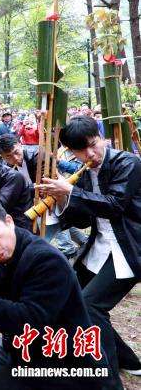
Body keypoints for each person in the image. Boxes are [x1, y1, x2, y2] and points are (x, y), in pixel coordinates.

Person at [0, 197, 107, 389]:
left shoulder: (46, 260)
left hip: (69, 362)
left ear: (8, 221)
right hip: (34, 350)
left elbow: (29, 322)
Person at [37, 115, 141, 382]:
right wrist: (60, 199)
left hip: (130, 248)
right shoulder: (83, 171)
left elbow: (114, 205)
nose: (91, 154)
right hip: (101, 247)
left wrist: (70, 192)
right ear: (71, 152)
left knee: (91, 306)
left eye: (94, 144)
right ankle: (129, 361)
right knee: (70, 298)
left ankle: (109, 382)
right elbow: (84, 219)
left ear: (101, 137)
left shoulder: (127, 162)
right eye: (81, 151)